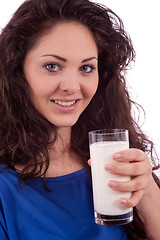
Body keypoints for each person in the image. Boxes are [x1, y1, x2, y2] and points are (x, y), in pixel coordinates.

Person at [0, 0, 160, 239]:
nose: (72, 87)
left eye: (86, 68)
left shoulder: (112, 163)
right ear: (17, 70)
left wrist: (146, 189)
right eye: (52, 66)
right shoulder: (5, 188)